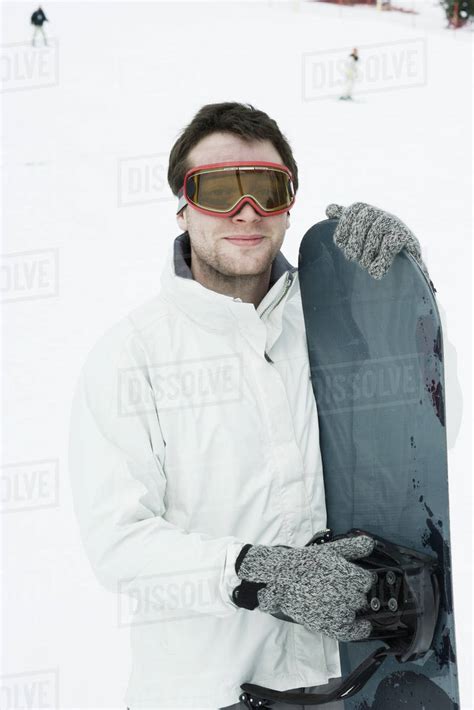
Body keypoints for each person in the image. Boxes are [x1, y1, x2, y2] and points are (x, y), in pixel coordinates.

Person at [68, 102, 426, 710]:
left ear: (289, 205)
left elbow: (427, 440)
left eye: (266, 188)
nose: (246, 211)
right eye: (216, 190)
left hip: (355, 684)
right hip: (206, 694)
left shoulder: (336, 327)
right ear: (182, 206)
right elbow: (119, 545)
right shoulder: (132, 357)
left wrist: (401, 300)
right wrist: (253, 571)